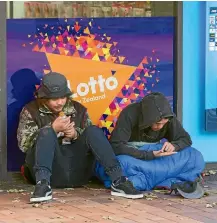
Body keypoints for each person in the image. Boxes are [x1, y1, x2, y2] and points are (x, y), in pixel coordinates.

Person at [17, 72, 143, 203]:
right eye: (54, 99)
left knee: (93, 131)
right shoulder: (30, 110)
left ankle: (119, 180)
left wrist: (75, 135)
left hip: (77, 171)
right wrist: (52, 129)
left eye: (63, 97)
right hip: (51, 172)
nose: (59, 102)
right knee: (46, 133)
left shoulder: (79, 109)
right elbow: (24, 146)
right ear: (44, 97)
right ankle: (42, 186)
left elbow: (90, 139)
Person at [109, 92, 193, 160]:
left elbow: (186, 139)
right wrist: (149, 155)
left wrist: (174, 145)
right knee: (122, 162)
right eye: (157, 123)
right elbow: (116, 146)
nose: (160, 127)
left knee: (193, 155)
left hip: (156, 151)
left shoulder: (169, 117)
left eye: (164, 124)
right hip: (133, 153)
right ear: (148, 118)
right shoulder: (129, 113)